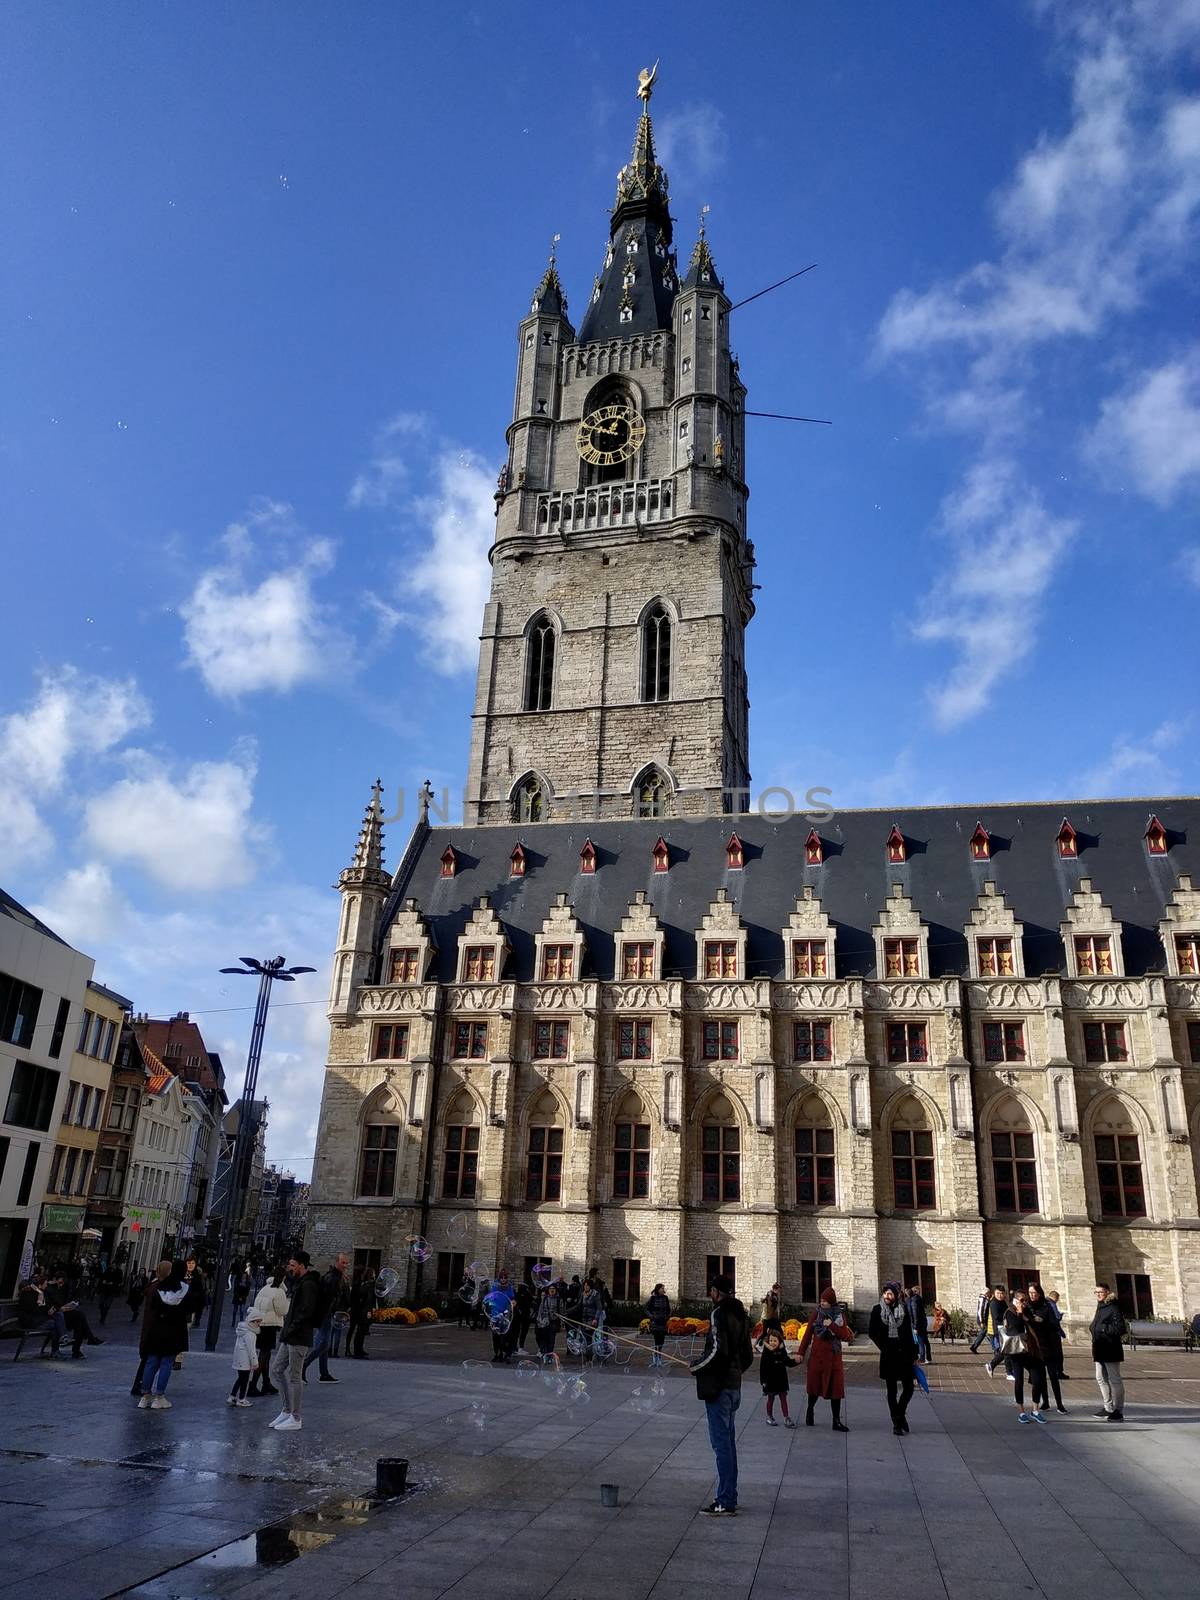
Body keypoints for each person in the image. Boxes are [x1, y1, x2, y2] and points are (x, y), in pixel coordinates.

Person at [691, 1273, 753, 1516]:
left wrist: (696, 1366)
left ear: (716, 1292)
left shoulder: (719, 1313)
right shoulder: (741, 1313)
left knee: (721, 1446)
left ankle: (725, 1500)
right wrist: (736, 1372)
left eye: (712, 1290)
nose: (710, 1294)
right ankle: (730, 1495)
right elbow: (747, 1354)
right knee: (728, 1443)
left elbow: (717, 1350)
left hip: (719, 1388)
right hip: (734, 1387)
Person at [268, 1252, 322, 1432]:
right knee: (276, 1370)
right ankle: (286, 1410)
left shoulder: (309, 1285)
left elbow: (306, 1311)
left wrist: (291, 1329)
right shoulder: (299, 1282)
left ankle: (296, 1417)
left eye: (292, 1265)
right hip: (290, 1334)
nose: (290, 1268)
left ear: (301, 1265)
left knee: (295, 1376)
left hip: (299, 1336)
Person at [136, 1261, 193, 1409]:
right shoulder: (184, 1289)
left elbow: (151, 1309)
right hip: (173, 1331)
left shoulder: (157, 1288)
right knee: (166, 1363)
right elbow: (188, 1310)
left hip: (155, 1330)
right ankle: (159, 1396)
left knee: (151, 1361)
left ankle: (145, 1396)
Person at [798, 1285, 853, 1431]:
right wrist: (800, 1353)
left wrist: (833, 1326)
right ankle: (810, 1410)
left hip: (834, 1358)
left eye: (825, 1301)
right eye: (821, 1300)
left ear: (832, 1302)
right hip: (818, 1357)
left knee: (836, 1390)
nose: (822, 1303)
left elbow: (845, 1335)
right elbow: (808, 1334)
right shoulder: (816, 1314)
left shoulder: (839, 1316)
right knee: (814, 1388)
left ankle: (836, 1421)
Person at [869, 1281, 917, 1436]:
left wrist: (914, 1354)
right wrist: (884, 1346)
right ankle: (896, 1423)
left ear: (896, 1295)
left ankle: (900, 1413)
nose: (887, 1296)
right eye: (885, 1293)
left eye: (890, 1293)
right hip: (889, 1355)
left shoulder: (903, 1310)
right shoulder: (877, 1310)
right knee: (892, 1390)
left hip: (904, 1354)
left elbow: (909, 1334)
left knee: (909, 1387)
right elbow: (872, 1332)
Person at [999, 1291, 1047, 1424]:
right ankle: (1021, 1412)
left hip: (1031, 1351)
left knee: (1037, 1379)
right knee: (1019, 1380)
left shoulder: (1027, 1311)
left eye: (1025, 1300)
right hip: (1017, 1352)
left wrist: (1031, 1317)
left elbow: (1035, 1324)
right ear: (1015, 1300)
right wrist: (1020, 1314)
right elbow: (1015, 1329)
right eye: (1021, 1300)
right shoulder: (1010, 1313)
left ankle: (1035, 1410)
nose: (1024, 1303)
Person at [303, 1253, 349, 1383]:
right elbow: (328, 1298)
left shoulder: (335, 1276)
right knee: (323, 1344)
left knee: (324, 1344)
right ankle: (304, 1365)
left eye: (346, 1263)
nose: (345, 1265)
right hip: (325, 1314)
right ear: (337, 1262)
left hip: (326, 1313)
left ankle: (324, 1373)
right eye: (343, 1262)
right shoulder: (333, 1277)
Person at [1025, 1283, 1065, 1413]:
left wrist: (1036, 1319)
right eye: (1030, 1292)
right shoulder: (1028, 1307)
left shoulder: (1046, 1306)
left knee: (1053, 1375)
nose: (1032, 1295)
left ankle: (1059, 1404)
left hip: (1049, 1345)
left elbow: (1047, 1322)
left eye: (1034, 1293)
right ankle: (1045, 1402)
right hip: (1036, 1347)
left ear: (1040, 1293)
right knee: (1040, 1377)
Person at [247, 1267, 288, 1397]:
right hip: (270, 1325)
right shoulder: (279, 1292)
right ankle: (253, 1385)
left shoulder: (264, 1289)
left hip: (260, 1324)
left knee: (266, 1354)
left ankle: (266, 1383)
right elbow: (282, 1311)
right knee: (264, 1355)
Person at [45, 1270, 104, 1358]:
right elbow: (52, 1305)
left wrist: (70, 1305)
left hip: (63, 1313)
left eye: (62, 1283)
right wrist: (62, 1307)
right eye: (59, 1282)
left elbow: (63, 1301)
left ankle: (80, 1347)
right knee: (80, 1317)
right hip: (56, 1315)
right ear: (54, 1279)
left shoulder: (62, 1288)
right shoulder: (50, 1289)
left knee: (79, 1319)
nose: (60, 1285)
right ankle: (87, 1340)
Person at [1090, 1282, 1127, 1422]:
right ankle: (1108, 1407)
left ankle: (1119, 1410)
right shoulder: (1100, 1307)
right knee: (1100, 1378)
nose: (1098, 1294)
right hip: (1099, 1348)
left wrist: (1104, 1329)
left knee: (1115, 1379)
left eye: (1101, 1292)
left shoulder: (1113, 1307)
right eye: (1096, 1292)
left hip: (1111, 1348)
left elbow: (1121, 1328)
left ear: (1107, 1292)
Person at [759, 1328, 797, 1427]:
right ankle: (769, 1416)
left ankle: (786, 1417)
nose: (772, 1343)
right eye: (771, 1340)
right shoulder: (766, 1351)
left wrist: (796, 1361)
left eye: (775, 1341)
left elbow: (787, 1361)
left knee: (783, 1397)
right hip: (769, 1378)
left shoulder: (782, 1350)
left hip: (781, 1377)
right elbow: (762, 1366)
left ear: (779, 1341)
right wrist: (763, 1381)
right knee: (770, 1398)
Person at [229, 1310, 262, 1407]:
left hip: (239, 1359)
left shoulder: (242, 1330)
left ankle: (232, 1396)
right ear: (254, 1321)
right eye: (259, 1321)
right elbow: (251, 1350)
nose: (260, 1324)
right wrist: (255, 1362)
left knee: (240, 1378)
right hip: (245, 1361)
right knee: (245, 1380)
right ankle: (242, 1399)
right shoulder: (250, 1334)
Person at [980, 1287, 1012, 1380]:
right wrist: (1006, 1317)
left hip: (1005, 1328)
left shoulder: (1003, 1302)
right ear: (995, 1293)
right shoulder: (993, 1303)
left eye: (1002, 1293)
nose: (1000, 1295)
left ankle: (992, 1366)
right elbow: (996, 1316)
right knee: (1005, 1351)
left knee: (1005, 1351)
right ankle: (1008, 1372)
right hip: (998, 1330)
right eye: (998, 1293)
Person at [487, 1271, 516, 1363]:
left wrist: (514, 1303)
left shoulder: (510, 1288)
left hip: (506, 1315)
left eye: (505, 1278)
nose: (503, 1280)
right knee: (496, 1336)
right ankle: (497, 1354)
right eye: (501, 1278)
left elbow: (512, 1299)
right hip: (495, 1315)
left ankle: (507, 1354)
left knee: (506, 1336)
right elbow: (490, 1300)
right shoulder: (495, 1288)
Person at [348, 1267, 375, 1359]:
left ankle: (359, 1350)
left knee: (362, 1331)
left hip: (363, 1310)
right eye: (374, 1273)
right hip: (364, 1311)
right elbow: (368, 1299)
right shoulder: (368, 1285)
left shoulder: (367, 1284)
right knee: (360, 1331)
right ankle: (357, 1351)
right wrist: (368, 1311)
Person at [643, 1283, 671, 1367]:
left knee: (662, 1340)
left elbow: (669, 1309)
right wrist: (652, 1317)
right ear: (658, 1289)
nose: (663, 1290)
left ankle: (659, 1356)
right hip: (655, 1323)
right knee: (656, 1340)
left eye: (663, 1288)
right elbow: (646, 1308)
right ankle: (655, 1356)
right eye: (662, 1288)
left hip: (663, 1322)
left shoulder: (665, 1298)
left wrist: (667, 1316)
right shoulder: (653, 1298)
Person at [534, 1279, 560, 1358]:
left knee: (551, 1340)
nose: (552, 1291)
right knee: (543, 1338)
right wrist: (539, 1320)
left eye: (553, 1289)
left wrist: (560, 1322)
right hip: (545, 1321)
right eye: (550, 1289)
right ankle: (543, 1351)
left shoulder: (558, 1299)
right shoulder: (545, 1298)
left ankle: (549, 1355)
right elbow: (541, 1309)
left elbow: (561, 1310)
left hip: (553, 1322)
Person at [907, 1284, 932, 1363]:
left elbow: (915, 1314)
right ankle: (928, 1358)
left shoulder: (914, 1300)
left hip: (919, 1324)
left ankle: (922, 1358)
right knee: (925, 1341)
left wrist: (915, 1327)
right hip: (923, 1323)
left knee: (921, 1341)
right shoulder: (918, 1298)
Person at [968, 1285, 992, 1353]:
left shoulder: (984, 1299)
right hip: (983, 1319)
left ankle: (974, 1347)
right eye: (989, 1292)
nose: (990, 1294)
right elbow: (981, 1310)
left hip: (983, 1319)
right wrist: (982, 1321)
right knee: (984, 1333)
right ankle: (974, 1347)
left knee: (984, 1333)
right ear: (986, 1293)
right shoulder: (983, 1299)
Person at [513, 1280, 534, 1353]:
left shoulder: (524, 1294)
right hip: (521, 1315)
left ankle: (517, 1347)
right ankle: (517, 1347)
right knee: (518, 1332)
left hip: (523, 1315)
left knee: (520, 1332)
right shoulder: (522, 1294)